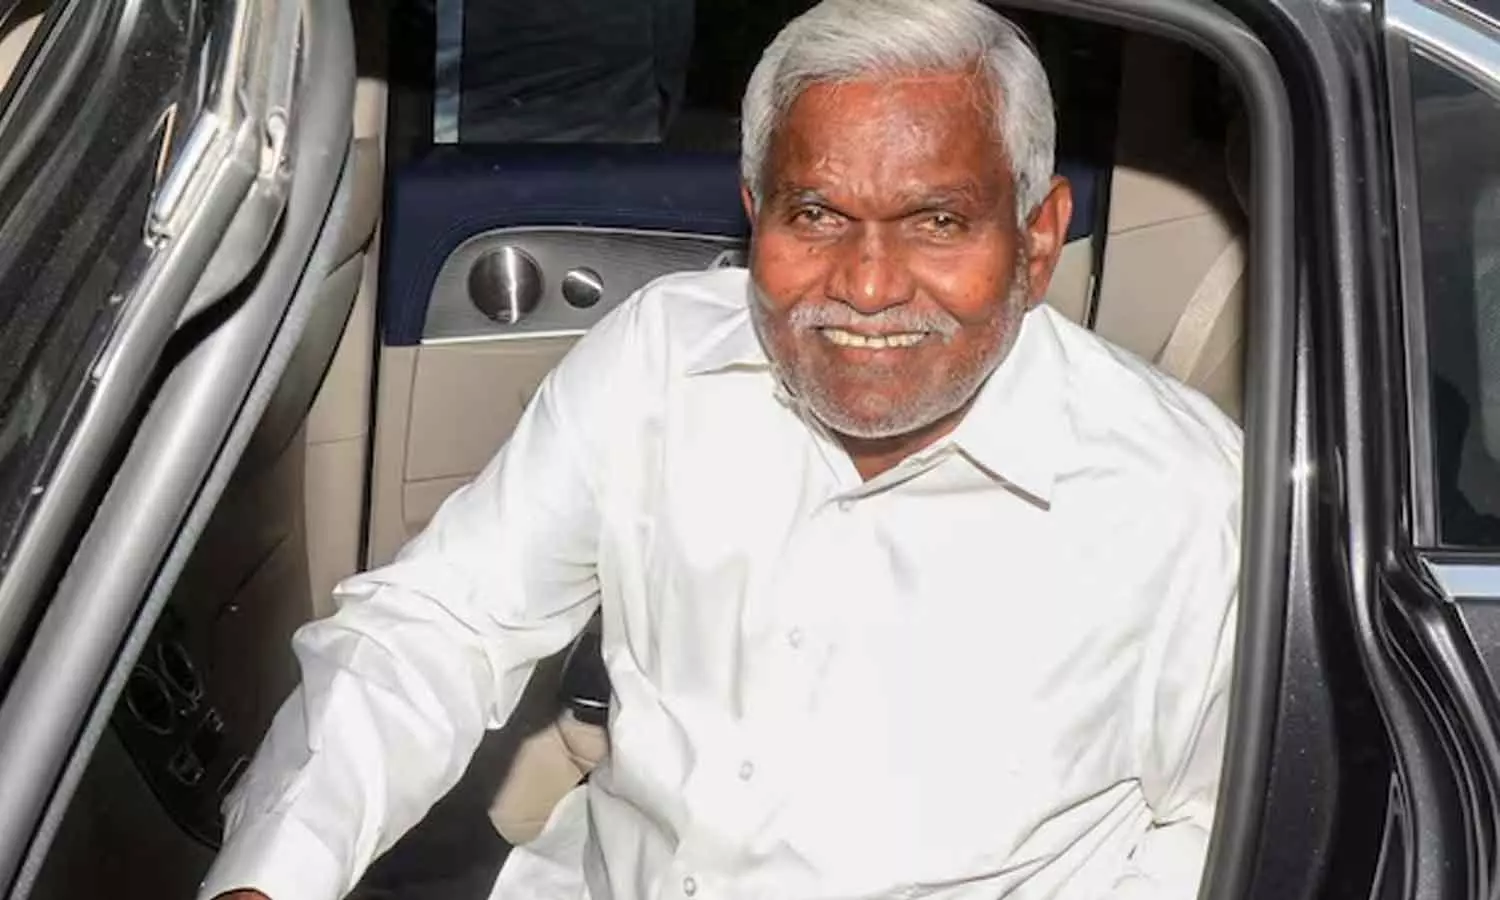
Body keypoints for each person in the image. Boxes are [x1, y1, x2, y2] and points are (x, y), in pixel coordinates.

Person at [201, 0, 1241, 897]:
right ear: (755, 216)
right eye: (817, 213)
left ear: (1038, 239)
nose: (867, 285)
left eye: (936, 221)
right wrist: (275, 875)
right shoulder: (660, 359)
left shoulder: (1188, 503)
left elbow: (1217, 833)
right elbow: (440, 626)